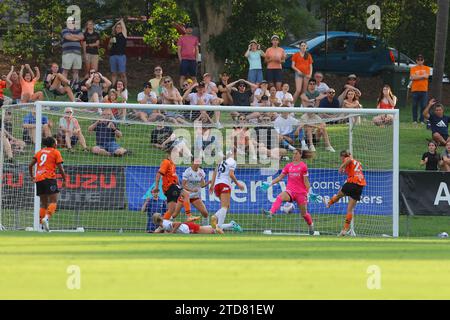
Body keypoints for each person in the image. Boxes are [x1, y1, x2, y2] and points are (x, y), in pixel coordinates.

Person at [261, 149, 315, 235]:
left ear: (300, 155)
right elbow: (280, 177)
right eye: (293, 153)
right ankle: (271, 212)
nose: (294, 155)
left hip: (301, 193)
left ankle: (311, 225)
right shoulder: (288, 166)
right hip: (290, 191)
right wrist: (270, 183)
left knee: (304, 214)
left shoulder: (303, 166)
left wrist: (310, 192)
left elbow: (306, 181)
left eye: (296, 153)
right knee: (280, 196)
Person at [28, 137, 66, 232]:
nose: (56, 144)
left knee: (44, 204)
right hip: (49, 178)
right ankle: (46, 218)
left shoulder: (40, 152)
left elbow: (30, 165)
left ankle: (41, 225)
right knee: (54, 201)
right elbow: (60, 168)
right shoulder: (55, 152)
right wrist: (64, 179)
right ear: (53, 144)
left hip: (39, 179)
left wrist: (32, 176)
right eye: (56, 142)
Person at [326, 150, 367, 236]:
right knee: (349, 209)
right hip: (360, 185)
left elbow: (349, 160)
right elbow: (355, 166)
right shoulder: (357, 162)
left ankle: (329, 203)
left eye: (341, 158)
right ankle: (345, 230)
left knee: (338, 195)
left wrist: (341, 167)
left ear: (342, 157)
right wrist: (345, 169)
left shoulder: (347, 159)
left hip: (353, 182)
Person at [209, 151, 244, 232]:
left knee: (226, 206)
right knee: (224, 207)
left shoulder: (221, 161)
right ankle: (219, 226)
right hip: (224, 184)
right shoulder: (232, 161)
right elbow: (231, 175)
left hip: (217, 185)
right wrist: (238, 184)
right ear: (234, 154)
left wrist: (212, 185)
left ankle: (229, 224)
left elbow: (214, 173)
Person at [152, 147, 189, 221]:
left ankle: (160, 228)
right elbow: (158, 174)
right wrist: (156, 187)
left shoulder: (172, 164)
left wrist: (179, 184)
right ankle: (189, 216)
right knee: (186, 194)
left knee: (171, 210)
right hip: (170, 187)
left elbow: (175, 175)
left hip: (172, 187)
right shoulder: (166, 162)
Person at [171, 159, 210, 226]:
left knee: (205, 213)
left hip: (195, 197)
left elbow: (202, 185)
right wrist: (191, 190)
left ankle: (205, 228)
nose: (197, 164)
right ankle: (162, 226)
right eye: (196, 162)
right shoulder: (188, 171)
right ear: (192, 162)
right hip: (185, 196)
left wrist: (208, 183)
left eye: (199, 162)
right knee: (174, 214)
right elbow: (183, 185)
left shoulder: (201, 172)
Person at [61, 16, 84, 84]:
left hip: (77, 53)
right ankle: (63, 85)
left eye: (72, 22)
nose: (71, 23)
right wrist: (77, 37)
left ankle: (75, 86)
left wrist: (72, 36)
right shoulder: (64, 30)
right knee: (65, 70)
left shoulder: (78, 30)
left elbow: (82, 37)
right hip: (67, 53)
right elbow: (67, 37)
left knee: (76, 70)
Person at [152, 213, 222, 234]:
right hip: (187, 227)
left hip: (188, 228)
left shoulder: (165, 224)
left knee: (212, 231)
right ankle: (216, 225)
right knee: (209, 228)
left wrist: (172, 232)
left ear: (155, 222)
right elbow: (157, 231)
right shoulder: (163, 224)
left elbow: (178, 223)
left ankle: (219, 226)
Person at [410, 54, 431, 124]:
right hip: (415, 90)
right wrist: (422, 76)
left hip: (424, 90)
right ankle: (414, 120)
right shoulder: (413, 68)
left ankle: (422, 120)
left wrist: (417, 76)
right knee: (414, 105)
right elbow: (412, 78)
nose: (420, 61)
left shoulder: (427, 68)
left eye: (421, 59)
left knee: (424, 105)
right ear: (416, 61)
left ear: (423, 60)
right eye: (418, 60)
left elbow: (427, 76)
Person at [292, 41, 314, 105]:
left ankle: (302, 106)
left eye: (304, 45)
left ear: (306, 47)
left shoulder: (308, 55)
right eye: (302, 45)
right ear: (299, 47)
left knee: (304, 91)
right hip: (298, 74)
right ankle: (291, 105)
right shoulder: (296, 54)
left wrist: (310, 74)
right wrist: (298, 71)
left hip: (306, 74)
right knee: (298, 90)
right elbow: (292, 66)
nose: (303, 47)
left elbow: (311, 66)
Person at [177, 23, 199, 88]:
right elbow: (178, 50)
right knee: (182, 76)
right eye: (188, 28)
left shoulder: (195, 38)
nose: (189, 29)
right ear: (185, 29)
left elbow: (197, 49)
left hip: (193, 60)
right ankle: (182, 90)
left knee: (194, 77)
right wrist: (180, 59)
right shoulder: (181, 38)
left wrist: (196, 59)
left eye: (190, 28)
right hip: (184, 59)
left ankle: (195, 90)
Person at [109, 18, 128, 87]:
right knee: (113, 73)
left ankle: (125, 89)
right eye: (117, 27)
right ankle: (113, 88)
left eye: (120, 27)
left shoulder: (124, 35)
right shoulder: (113, 36)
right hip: (113, 56)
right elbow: (109, 47)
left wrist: (120, 21)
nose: (118, 28)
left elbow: (123, 26)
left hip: (121, 56)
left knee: (122, 73)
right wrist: (110, 43)